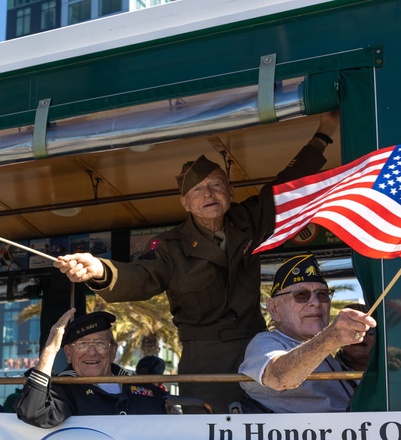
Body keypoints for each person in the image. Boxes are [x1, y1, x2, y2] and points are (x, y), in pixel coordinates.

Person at [53, 112, 340, 412]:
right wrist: (100, 270)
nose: (209, 195)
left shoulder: (246, 221)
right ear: (185, 204)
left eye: (216, 186)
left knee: (268, 429)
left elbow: (285, 188)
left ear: (230, 192)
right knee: (210, 437)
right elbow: (141, 274)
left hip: (259, 353)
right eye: (198, 191)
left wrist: (323, 134)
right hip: (206, 364)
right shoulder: (170, 246)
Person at [238, 254, 376, 413]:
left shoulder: (327, 354)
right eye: (301, 295)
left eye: (322, 294)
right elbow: (279, 376)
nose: (316, 303)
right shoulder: (265, 342)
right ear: (274, 309)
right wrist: (329, 339)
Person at [14, 309, 170, 428]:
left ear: (113, 351)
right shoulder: (64, 389)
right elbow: (33, 412)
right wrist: (49, 350)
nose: (92, 352)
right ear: (68, 354)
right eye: (82, 345)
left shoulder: (143, 388)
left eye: (101, 344)